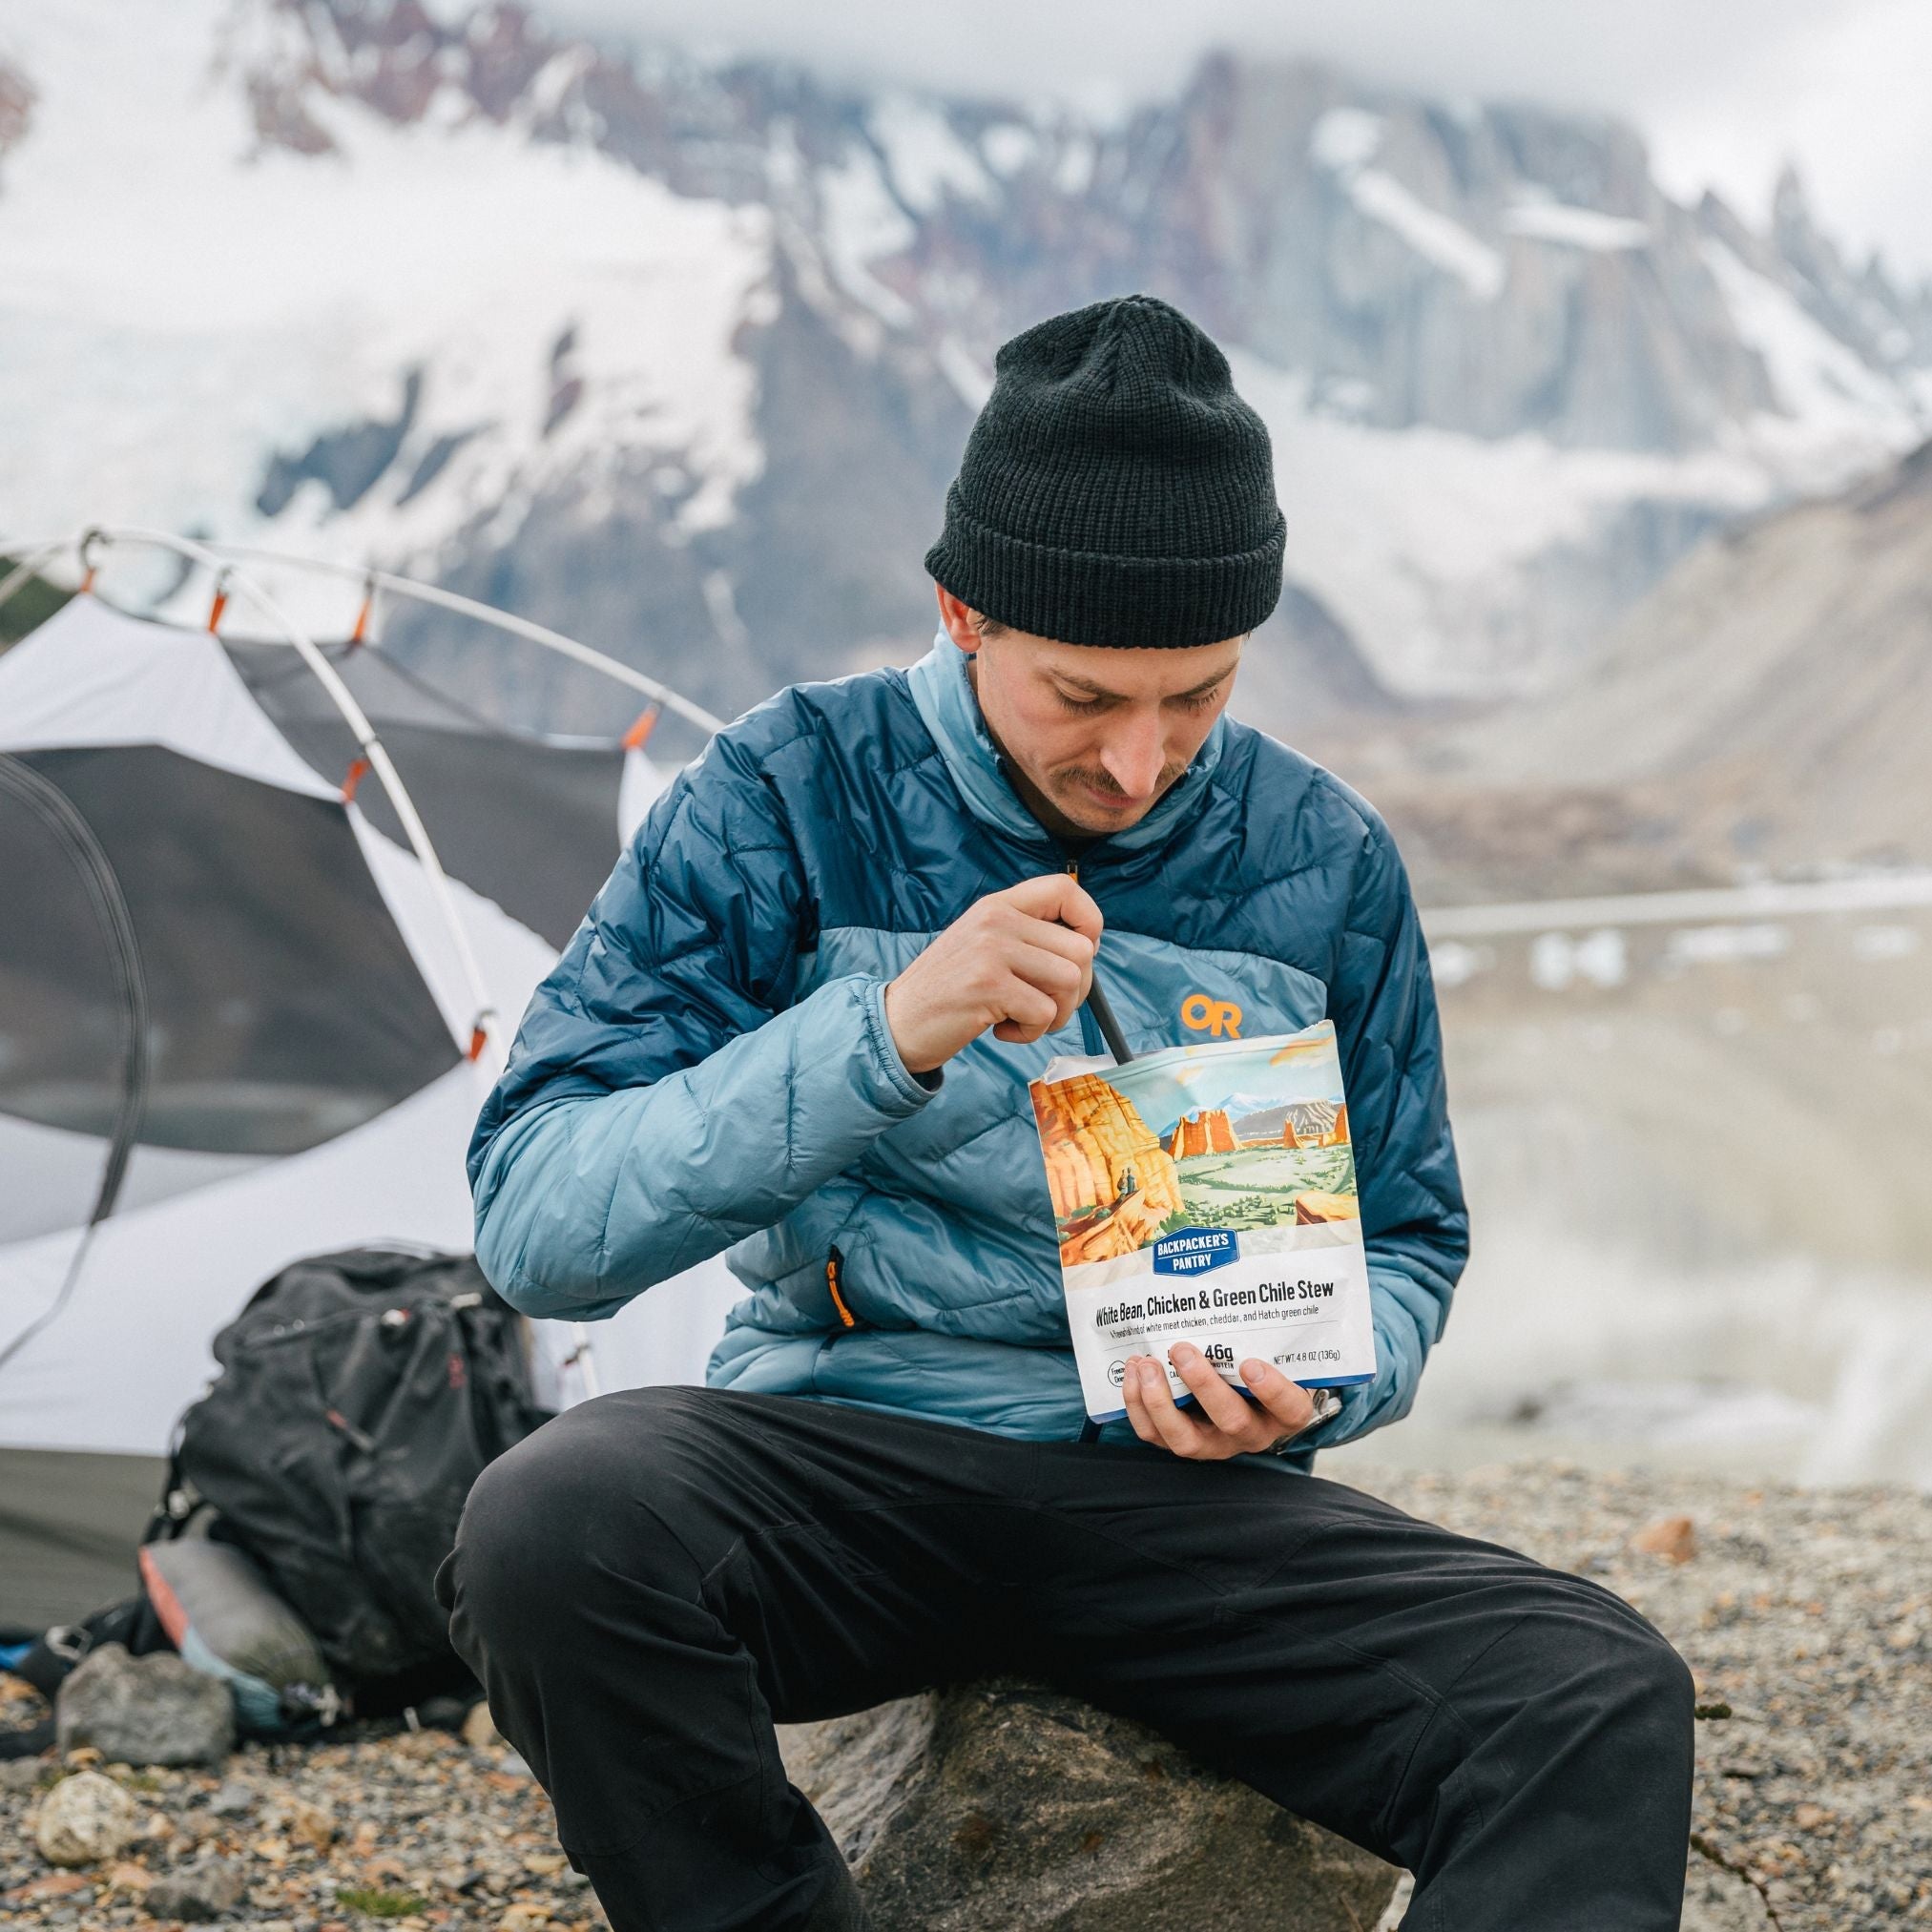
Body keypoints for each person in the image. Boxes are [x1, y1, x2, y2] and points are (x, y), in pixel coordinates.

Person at [437, 295, 1694, 1930]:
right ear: (964, 614)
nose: (1141, 761)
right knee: (549, 1522)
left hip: (1182, 1507)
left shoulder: (1326, 860)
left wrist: (1317, 1377)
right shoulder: (782, 792)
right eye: (1084, 697)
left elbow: (1409, 1239)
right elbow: (538, 1221)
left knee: (1594, 1693)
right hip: (841, 1468)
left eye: (1200, 695)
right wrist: (884, 1031)